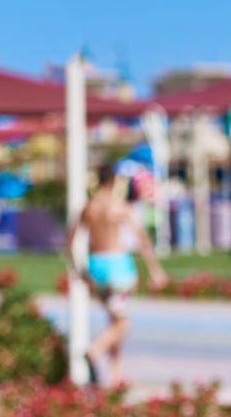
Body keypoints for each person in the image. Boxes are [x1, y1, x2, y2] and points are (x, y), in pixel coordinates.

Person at [65, 161, 168, 386]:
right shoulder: (118, 206)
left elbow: (70, 240)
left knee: (113, 317)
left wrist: (78, 270)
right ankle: (94, 351)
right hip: (118, 267)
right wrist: (154, 269)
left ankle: (116, 373)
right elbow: (141, 238)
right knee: (122, 324)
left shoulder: (88, 207)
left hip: (96, 267)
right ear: (114, 181)